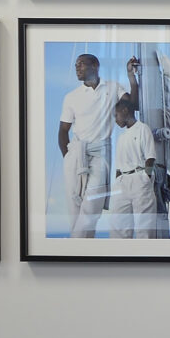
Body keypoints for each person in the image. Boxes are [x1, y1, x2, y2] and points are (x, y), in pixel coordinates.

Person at [56, 51, 125, 238]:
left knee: (92, 204)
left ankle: (75, 247)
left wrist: (132, 77)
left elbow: (132, 104)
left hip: (101, 152)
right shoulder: (71, 97)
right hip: (77, 153)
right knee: (74, 206)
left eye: (81, 64)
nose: (77, 67)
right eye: (76, 65)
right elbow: (63, 131)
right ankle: (82, 252)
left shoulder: (113, 88)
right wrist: (69, 157)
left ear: (95, 66)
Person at [108, 94, 162, 239]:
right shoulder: (121, 137)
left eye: (116, 115)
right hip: (122, 183)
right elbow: (118, 167)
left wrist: (146, 178)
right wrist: (118, 180)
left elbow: (150, 157)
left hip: (140, 180)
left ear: (125, 110)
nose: (116, 119)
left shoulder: (143, 129)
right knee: (118, 227)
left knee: (144, 228)